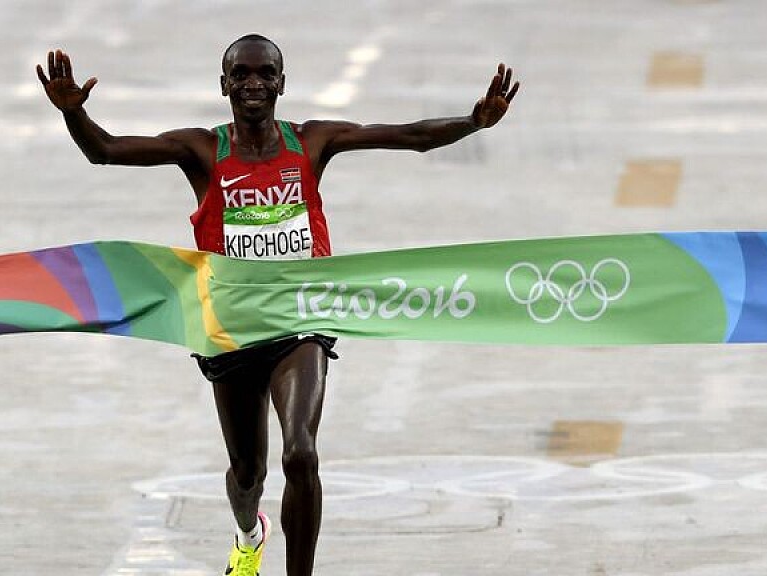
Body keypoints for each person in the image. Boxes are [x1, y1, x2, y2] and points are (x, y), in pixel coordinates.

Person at [37, 34, 518, 576]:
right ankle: (249, 533)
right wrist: (74, 112)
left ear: (281, 83)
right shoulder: (202, 150)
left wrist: (473, 121)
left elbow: (410, 137)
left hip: (300, 320)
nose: (254, 83)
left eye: (265, 73)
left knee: (301, 453)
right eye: (241, 74)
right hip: (233, 327)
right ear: (224, 85)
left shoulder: (311, 142)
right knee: (248, 473)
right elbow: (105, 150)